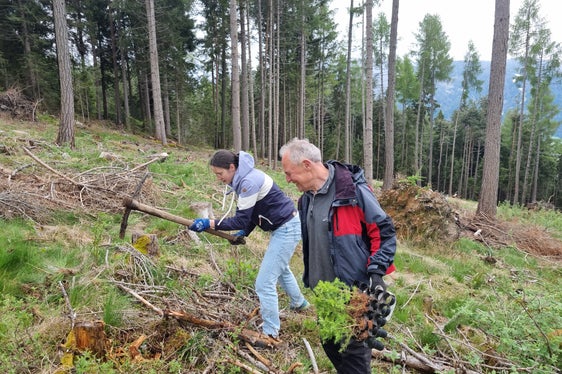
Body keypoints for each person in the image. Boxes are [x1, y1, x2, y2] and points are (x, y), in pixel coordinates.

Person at [279, 138, 397, 374]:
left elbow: (384, 232)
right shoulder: (306, 200)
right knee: (331, 346)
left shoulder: (352, 192)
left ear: (307, 165)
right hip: (325, 295)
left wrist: (376, 273)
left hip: (355, 294)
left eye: (289, 173)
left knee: (354, 361)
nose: (288, 179)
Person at [189, 149, 309, 339]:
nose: (219, 178)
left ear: (231, 167)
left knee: (263, 283)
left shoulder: (248, 182)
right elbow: (254, 211)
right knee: (281, 268)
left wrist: (209, 223)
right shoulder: (244, 178)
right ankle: (299, 303)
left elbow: (240, 220)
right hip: (284, 225)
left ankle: (270, 333)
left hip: (286, 228)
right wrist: (247, 230)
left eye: (220, 174)